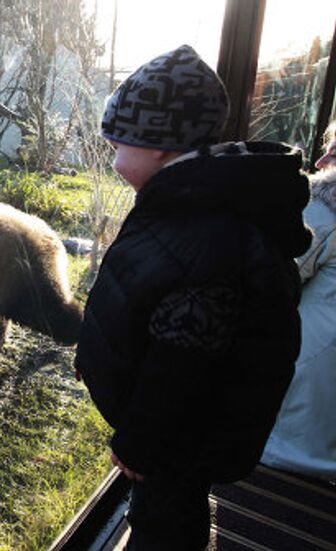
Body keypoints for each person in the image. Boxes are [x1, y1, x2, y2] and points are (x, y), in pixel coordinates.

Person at [73, 44, 312, 550]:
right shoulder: (188, 200)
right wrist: (98, 353)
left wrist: (139, 443)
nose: (113, 161)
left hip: (182, 432)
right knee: (165, 504)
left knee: (165, 517)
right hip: (183, 423)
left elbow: (183, 359)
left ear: (158, 145)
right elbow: (147, 295)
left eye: (119, 146)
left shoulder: (207, 228)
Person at [261, 121, 336, 480]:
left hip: (310, 359)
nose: (321, 162)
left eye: (334, 152)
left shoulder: (324, 211)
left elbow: (270, 277)